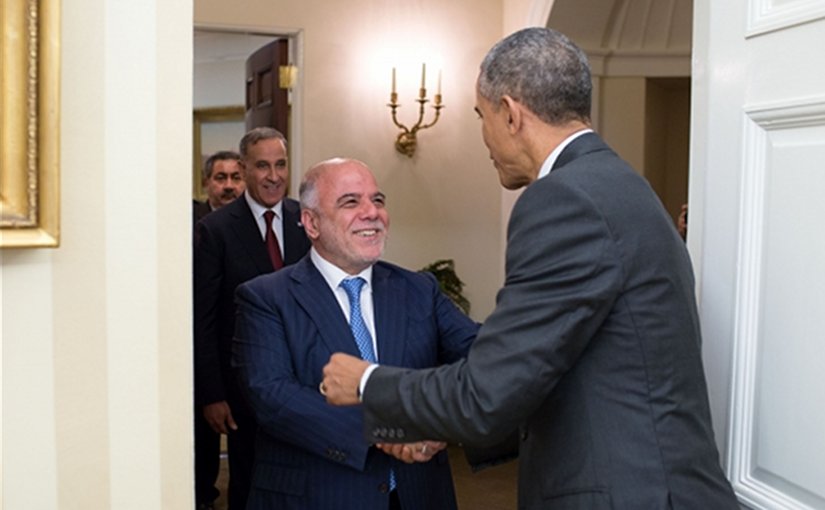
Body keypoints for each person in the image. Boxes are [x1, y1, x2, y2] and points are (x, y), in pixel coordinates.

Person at [322, 28, 739, 509]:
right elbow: (553, 373)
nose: (485, 137)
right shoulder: (623, 184)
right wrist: (427, 425)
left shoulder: (563, 198)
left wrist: (367, 383)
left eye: (482, 117)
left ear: (511, 113)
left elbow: (485, 393)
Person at [232, 157, 479, 510]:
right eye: (351, 202)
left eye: (377, 200)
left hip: (418, 494)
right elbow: (273, 397)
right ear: (311, 223)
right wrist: (392, 428)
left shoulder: (419, 290)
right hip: (318, 497)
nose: (372, 212)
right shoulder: (266, 297)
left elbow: (480, 357)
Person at [194, 127, 311, 510]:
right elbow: (204, 318)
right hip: (244, 389)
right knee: (249, 485)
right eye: (263, 166)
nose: (274, 176)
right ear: (245, 169)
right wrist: (212, 394)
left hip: (305, 382)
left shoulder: (306, 220)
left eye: (280, 165)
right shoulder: (215, 230)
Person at [193, 150, 245, 225]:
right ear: (206, 183)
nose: (229, 186)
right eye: (220, 178)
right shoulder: (190, 219)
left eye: (236, 178)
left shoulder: (256, 220)